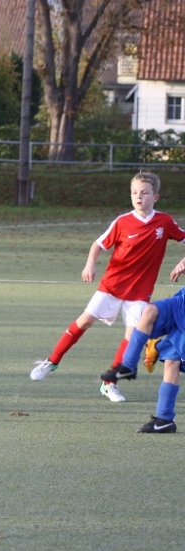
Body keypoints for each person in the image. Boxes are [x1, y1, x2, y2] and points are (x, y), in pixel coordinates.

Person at [30, 172, 185, 403]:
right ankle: (51, 362)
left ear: (155, 197)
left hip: (140, 291)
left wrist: (183, 262)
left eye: (144, 193)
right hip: (112, 285)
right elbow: (98, 244)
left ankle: (109, 385)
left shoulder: (164, 222)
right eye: (134, 192)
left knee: (133, 336)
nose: (138, 197)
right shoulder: (122, 222)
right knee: (84, 321)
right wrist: (90, 264)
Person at [99, 257, 185, 432]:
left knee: (172, 362)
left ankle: (164, 419)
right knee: (149, 311)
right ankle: (128, 366)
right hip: (182, 302)